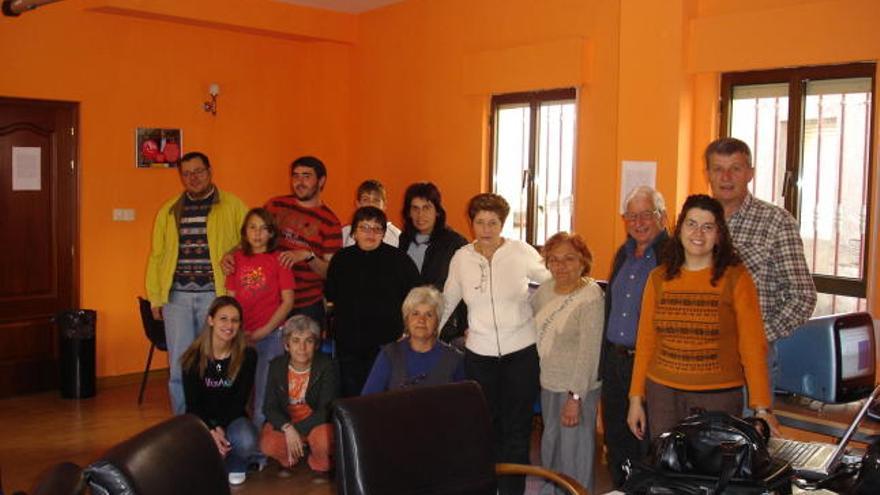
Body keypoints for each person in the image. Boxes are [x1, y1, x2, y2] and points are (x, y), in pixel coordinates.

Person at [626, 194, 780, 443]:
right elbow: (645, 342)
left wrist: (762, 407)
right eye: (691, 224)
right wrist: (636, 398)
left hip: (718, 398)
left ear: (719, 234)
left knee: (711, 474)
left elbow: (752, 345)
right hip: (663, 394)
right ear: (679, 229)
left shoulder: (736, 278)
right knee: (668, 472)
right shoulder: (659, 277)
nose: (698, 233)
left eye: (708, 226)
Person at [440, 193, 550, 495]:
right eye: (480, 222)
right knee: (485, 428)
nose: (486, 229)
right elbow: (448, 299)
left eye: (493, 223)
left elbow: (552, 277)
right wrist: (424, 334)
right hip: (480, 355)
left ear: (502, 224)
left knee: (517, 428)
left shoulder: (520, 252)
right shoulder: (462, 257)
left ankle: (513, 491)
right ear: (471, 222)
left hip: (521, 354)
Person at [146, 151, 248, 415]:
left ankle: (216, 420)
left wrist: (233, 252)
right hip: (176, 299)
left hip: (216, 298)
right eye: (187, 173)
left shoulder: (233, 205)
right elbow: (157, 256)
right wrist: (155, 297)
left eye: (198, 171)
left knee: (216, 363)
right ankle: (185, 425)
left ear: (210, 171)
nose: (193, 178)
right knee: (180, 366)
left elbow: (251, 241)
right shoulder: (169, 210)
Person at [705, 138, 816, 346]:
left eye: (735, 169)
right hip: (702, 355)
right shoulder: (695, 222)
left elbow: (803, 297)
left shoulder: (777, 222)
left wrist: (755, 335)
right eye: (718, 169)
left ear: (750, 174)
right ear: (708, 174)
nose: (726, 177)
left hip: (751, 357)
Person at [599, 186, 669, 487]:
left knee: (646, 445)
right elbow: (611, 309)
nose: (638, 223)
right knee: (616, 442)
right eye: (631, 217)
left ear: (662, 217)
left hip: (648, 366)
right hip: (615, 362)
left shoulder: (673, 255)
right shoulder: (623, 254)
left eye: (646, 215)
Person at [224, 156, 342, 326]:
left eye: (306, 176)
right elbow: (253, 236)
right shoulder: (275, 205)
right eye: (295, 176)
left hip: (306, 304)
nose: (299, 182)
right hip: (268, 301)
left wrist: (308, 256)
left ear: (321, 181)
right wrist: (230, 255)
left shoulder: (330, 222)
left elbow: (331, 273)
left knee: (302, 352)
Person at [532, 232, 604, 494]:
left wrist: (575, 397)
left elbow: (589, 352)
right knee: (551, 449)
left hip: (576, 389)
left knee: (576, 455)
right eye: (554, 259)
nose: (560, 266)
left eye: (569, 259)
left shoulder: (591, 296)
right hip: (549, 384)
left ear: (583, 261)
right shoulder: (544, 291)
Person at [325, 206, 420, 397]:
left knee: (384, 400)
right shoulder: (341, 259)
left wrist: (407, 332)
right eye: (364, 227)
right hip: (349, 347)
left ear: (384, 233)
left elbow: (417, 299)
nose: (371, 233)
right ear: (354, 232)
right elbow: (331, 296)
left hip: (387, 347)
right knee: (352, 399)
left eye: (377, 229)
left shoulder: (400, 261)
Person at [225, 208, 295, 428]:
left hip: (271, 334)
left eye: (264, 229)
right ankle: (237, 440)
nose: (257, 234)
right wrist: (236, 331)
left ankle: (259, 451)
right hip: (241, 336)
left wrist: (264, 331)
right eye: (252, 228)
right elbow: (231, 301)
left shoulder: (279, 260)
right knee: (238, 389)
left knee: (264, 391)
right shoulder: (235, 259)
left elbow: (287, 301)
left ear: (272, 233)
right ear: (244, 232)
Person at [181, 296, 258, 486]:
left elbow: (239, 401)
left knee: (246, 439)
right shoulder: (192, 357)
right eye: (223, 318)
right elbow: (193, 404)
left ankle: (235, 460)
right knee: (189, 451)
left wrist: (220, 431)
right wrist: (210, 431)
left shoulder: (248, 356)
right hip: (201, 420)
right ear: (210, 320)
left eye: (235, 320)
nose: (229, 325)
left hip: (233, 419)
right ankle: (215, 458)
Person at [260, 315, 337, 477]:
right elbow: (269, 407)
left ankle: (318, 461)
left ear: (315, 345)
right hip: (289, 423)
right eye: (296, 340)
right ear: (286, 345)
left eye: (308, 341)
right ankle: (288, 459)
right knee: (267, 444)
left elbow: (326, 410)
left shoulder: (327, 366)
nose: (302, 347)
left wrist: (295, 430)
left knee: (324, 440)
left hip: (315, 424)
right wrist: (287, 427)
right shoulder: (276, 366)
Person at [397, 182, 469, 344]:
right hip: (410, 324)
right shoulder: (403, 240)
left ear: (437, 211)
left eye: (426, 208)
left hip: (444, 327)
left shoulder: (455, 243)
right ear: (408, 213)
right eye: (415, 208)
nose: (420, 215)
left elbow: (466, 289)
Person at [361, 286, 465, 394]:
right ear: (406, 320)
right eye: (415, 313)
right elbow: (368, 401)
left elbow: (463, 405)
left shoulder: (455, 359)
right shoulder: (389, 355)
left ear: (437, 322)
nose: (421, 320)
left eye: (429, 315)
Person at [340, 179, 401, 247]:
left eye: (376, 200)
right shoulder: (345, 233)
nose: (371, 204)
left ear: (384, 205)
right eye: (366, 199)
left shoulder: (397, 236)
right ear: (358, 204)